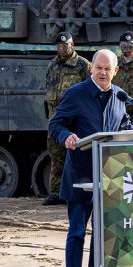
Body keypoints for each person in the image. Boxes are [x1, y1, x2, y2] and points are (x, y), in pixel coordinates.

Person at [48, 49, 133, 267]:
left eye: (108, 69)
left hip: (109, 176)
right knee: (77, 232)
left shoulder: (120, 97)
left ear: (115, 71)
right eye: (99, 68)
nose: (103, 73)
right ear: (91, 68)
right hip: (80, 174)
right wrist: (66, 137)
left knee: (101, 233)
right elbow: (55, 125)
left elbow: (124, 125)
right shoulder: (76, 94)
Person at [42, 31, 91, 206]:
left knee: (78, 155)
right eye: (59, 46)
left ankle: (77, 191)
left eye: (66, 45)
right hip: (56, 118)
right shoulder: (52, 65)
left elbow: (89, 91)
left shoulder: (83, 65)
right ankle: (56, 193)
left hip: (75, 118)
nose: (62, 48)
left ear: (72, 45)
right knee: (56, 156)